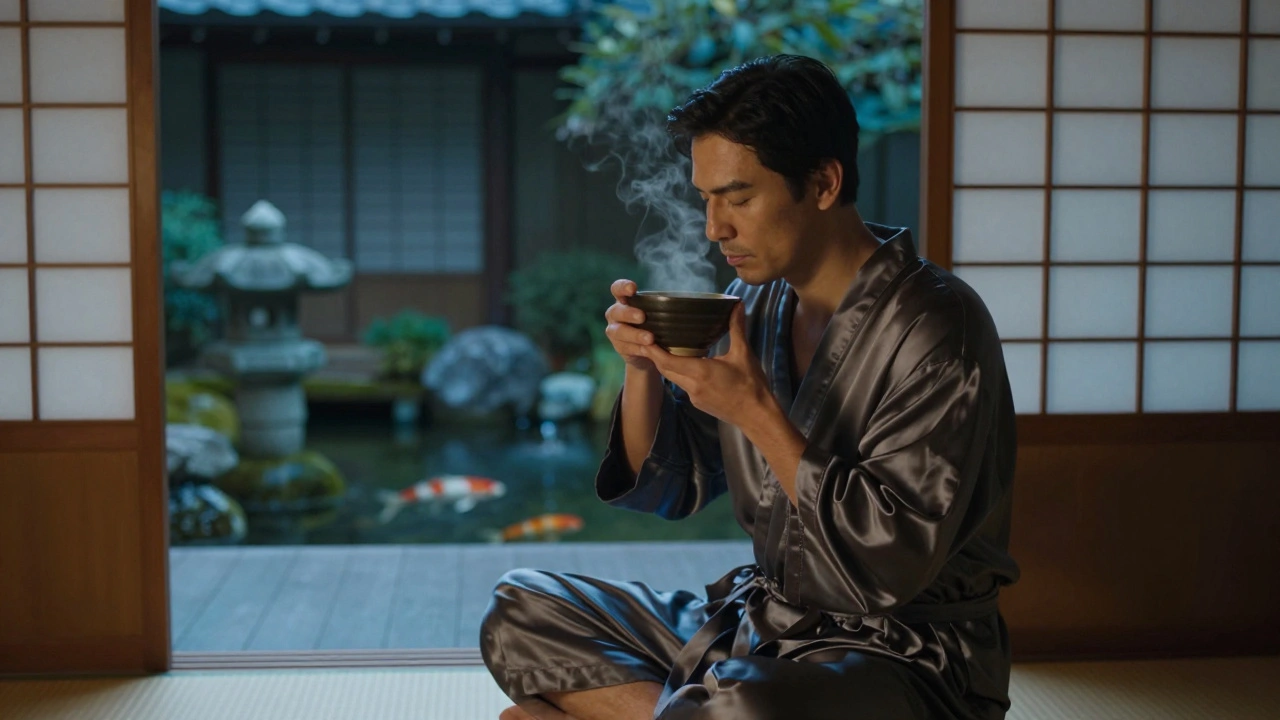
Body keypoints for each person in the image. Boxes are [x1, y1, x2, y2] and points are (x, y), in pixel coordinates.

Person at [480, 54, 1021, 720]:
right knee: (522, 606)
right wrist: (642, 365)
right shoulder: (755, 306)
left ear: (823, 183)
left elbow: (890, 563)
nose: (715, 228)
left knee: (744, 704)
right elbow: (672, 485)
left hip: (905, 655)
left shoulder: (939, 325)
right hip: (764, 623)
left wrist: (758, 413)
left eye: (738, 198)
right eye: (706, 199)